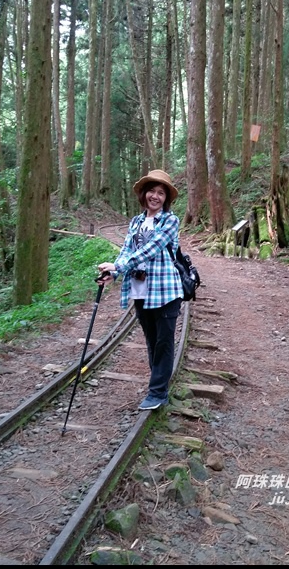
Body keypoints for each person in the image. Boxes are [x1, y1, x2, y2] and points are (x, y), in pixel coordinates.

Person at [97, 170, 184, 410]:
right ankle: (158, 384)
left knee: (164, 343)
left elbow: (152, 248)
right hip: (140, 290)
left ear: (166, 199)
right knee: (152, 340)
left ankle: (157, 393)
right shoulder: (136, 221)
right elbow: (126, 251)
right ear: (143, 194)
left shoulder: (170, 221)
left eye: (161, 193)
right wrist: (113, 273)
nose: (155, 196)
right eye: (151, 191)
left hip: (165, 291)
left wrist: (119, 265)